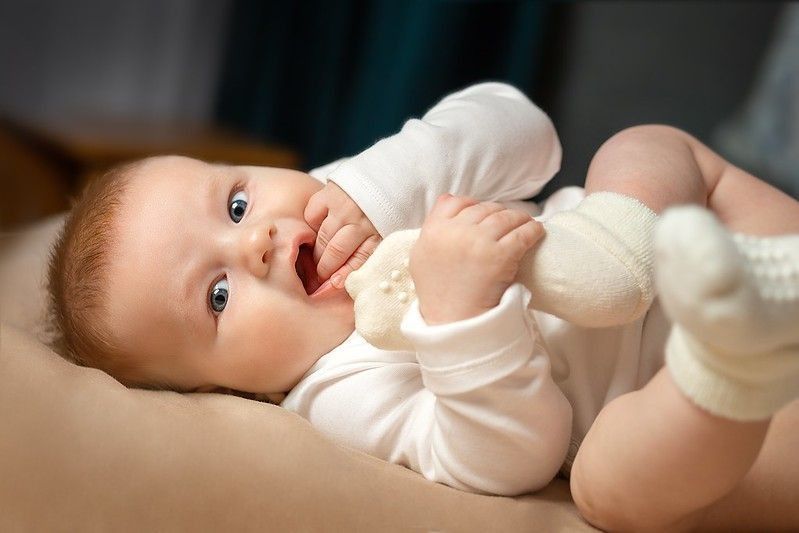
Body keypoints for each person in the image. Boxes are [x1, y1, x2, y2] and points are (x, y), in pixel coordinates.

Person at [47, 83, 799, 531]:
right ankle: (723, 361)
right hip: (731, 422)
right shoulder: (332, 392)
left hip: (709, 245)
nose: (260, 244)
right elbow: (516, 456)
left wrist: (384, 184)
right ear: (232, 389)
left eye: (237, 202)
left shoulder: (349, 193)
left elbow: (525, 132)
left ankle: (616, 244)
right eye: (217, 296)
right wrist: (462, 314)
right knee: (607, 483)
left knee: (645, 145)